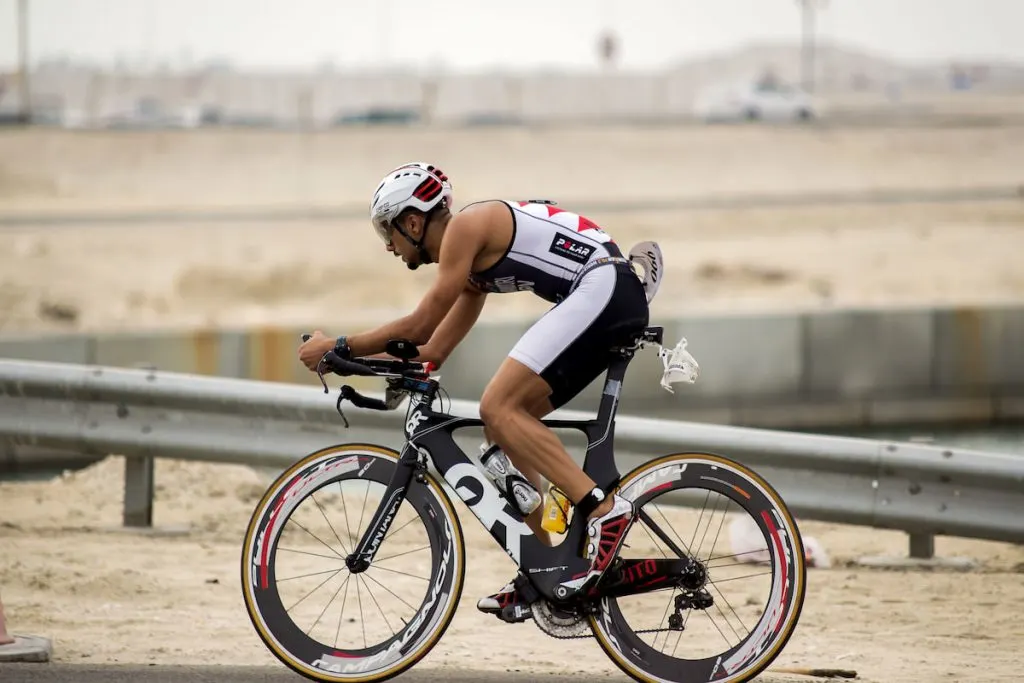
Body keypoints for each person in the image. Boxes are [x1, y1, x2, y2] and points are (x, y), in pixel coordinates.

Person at [298, 162, 650, 619]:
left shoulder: (466, 227)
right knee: (506, 424)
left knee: (497, 406)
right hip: (607, 293)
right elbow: (429, 350)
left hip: (604, 285)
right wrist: (353, 365)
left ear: (413, 221)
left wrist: (339, 343)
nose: (388, 246)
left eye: (389, 232)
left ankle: (602, 510)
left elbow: (420, 323)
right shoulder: (473, 271)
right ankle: (543, 569)